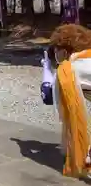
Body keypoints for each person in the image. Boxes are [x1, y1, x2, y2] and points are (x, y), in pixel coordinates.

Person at [39, 24, 91, 179]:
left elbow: (49, 97)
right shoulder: (87, 57)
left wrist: (47, 68)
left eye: (55, 51)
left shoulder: (69, 69)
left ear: (63, 50)